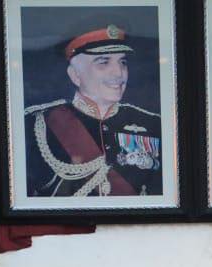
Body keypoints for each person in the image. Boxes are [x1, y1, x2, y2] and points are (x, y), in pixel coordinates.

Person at [25, 24, 163, 197]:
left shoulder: (153, 124)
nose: (119, 73)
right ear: (75, 75)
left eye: (123, 62)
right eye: (104, 62)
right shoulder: (37, 125)